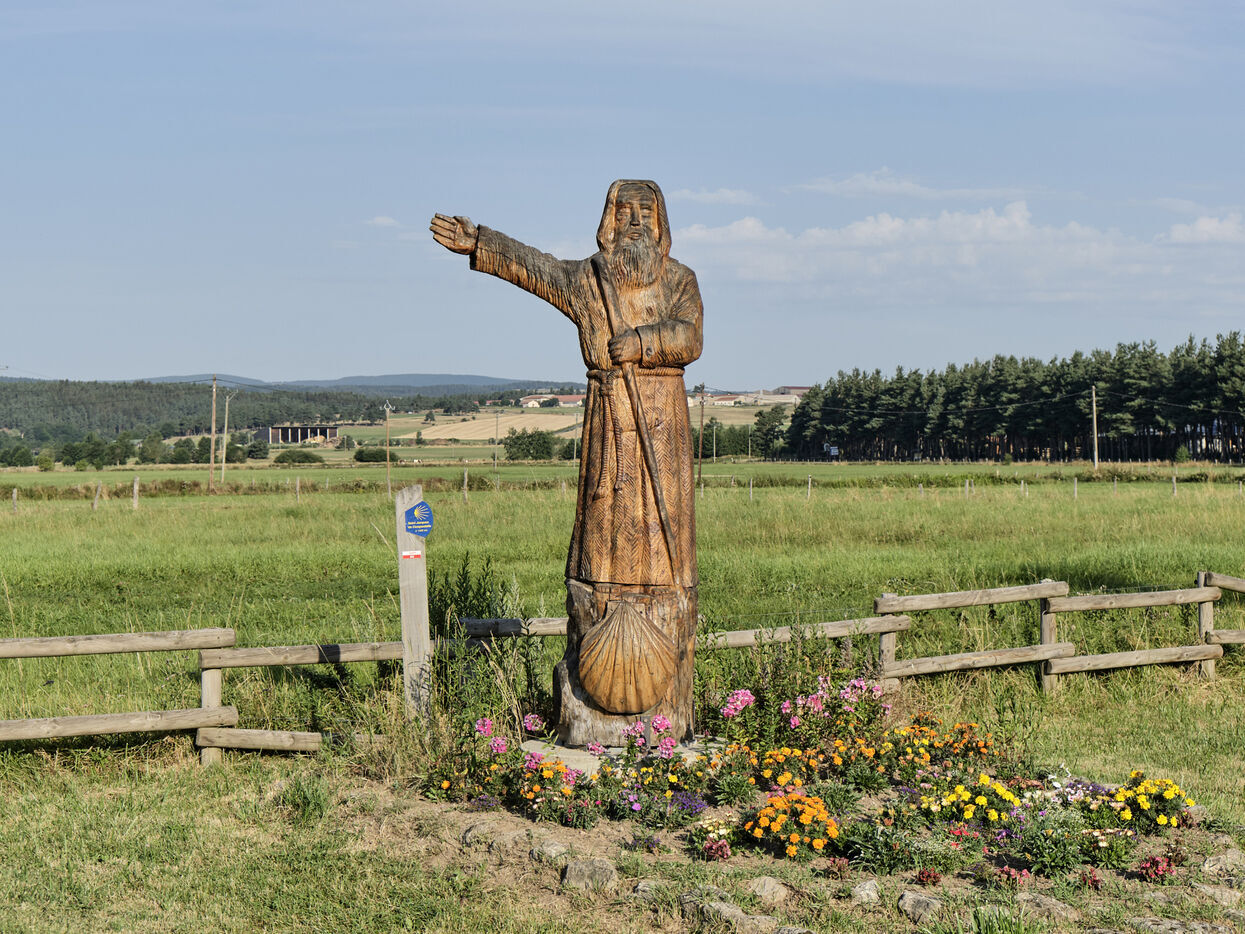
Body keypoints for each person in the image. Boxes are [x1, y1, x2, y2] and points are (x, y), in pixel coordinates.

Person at [431, 180, 703, 744]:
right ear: (608, 220)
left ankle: (662, 613)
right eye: (624, 211)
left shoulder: (680, 279)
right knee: (605, 521)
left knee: (663, 533)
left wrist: (643, 342)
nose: (634, 222)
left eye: (645, 212)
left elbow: (691, 335)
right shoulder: (589, 280)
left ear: (661, 222)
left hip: (662, 423)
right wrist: (480, 242)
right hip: (610, 420)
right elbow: (536, 269)